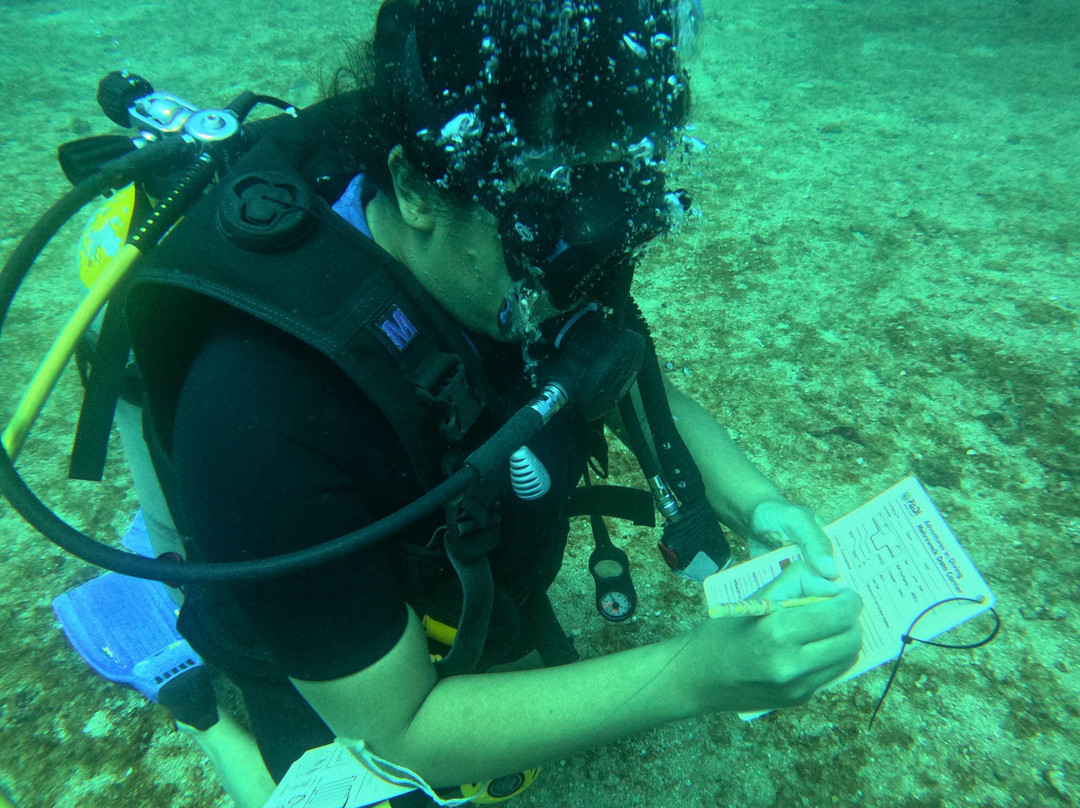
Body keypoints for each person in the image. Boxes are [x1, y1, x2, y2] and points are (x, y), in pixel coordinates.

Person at [119, 0, 865, 803]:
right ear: (413, 187)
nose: (570, 279)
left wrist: (759, 503)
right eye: (545, 231)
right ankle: (210, 721)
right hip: (316, 639)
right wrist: (697, 674)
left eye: (610, 211)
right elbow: (398, 728)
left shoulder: (527, 239)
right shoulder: (255, 411)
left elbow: (607, 365)